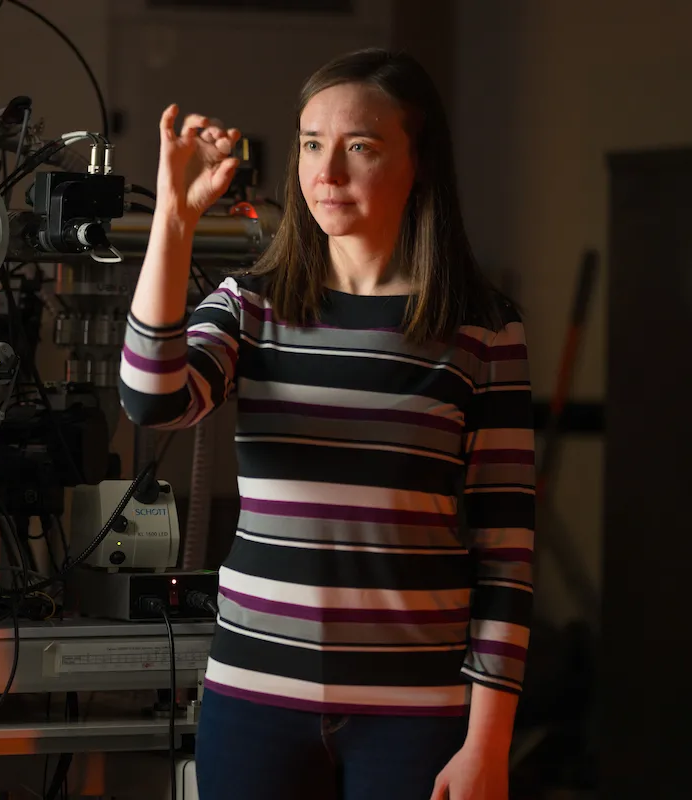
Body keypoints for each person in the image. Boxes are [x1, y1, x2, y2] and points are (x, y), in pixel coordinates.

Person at [118, 49, 535, 800]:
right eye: (312, 143)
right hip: (253, 703)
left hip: (419, 715)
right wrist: (175, 221)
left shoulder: (484, 330)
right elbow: (153, 400)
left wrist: (489, 743)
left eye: (361, 147)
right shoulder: (251, 307)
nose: (326, 171)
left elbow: (506, 553)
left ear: (419, 161)